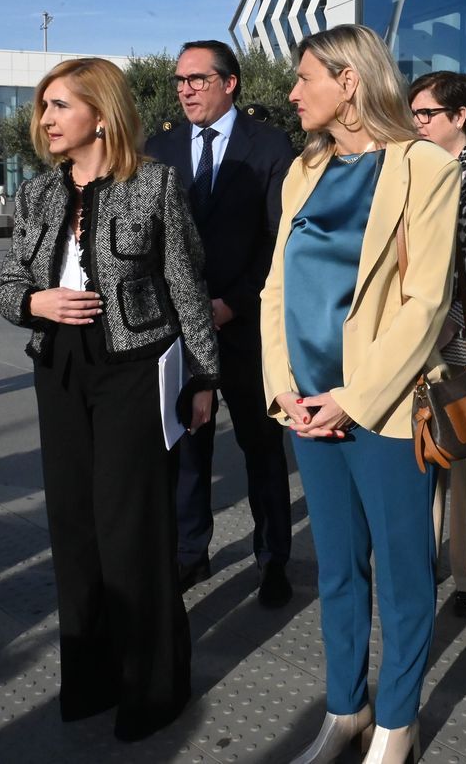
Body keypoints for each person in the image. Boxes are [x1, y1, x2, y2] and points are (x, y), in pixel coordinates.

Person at [0, 57, 220, 742]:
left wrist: (204, 378)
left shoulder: (153, 184)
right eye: (43, 108)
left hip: (133, 370)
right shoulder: (35, 195)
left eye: (60, 105)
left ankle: (155, 687)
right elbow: (7, 287)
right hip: (58, 369)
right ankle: (90, 678)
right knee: (73, 528)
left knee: (133, 533)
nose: (46, 120)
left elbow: (186, 286)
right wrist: (35, 302)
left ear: (101, 111)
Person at [261, 25, 459, 763]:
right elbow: (276, 288)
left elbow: (425, 300)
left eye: (304, 77)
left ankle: (396, 724)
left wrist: (354, 394)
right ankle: (346, 708)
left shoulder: (424, 169)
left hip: (385, 408)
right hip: (307, 407)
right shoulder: (302, 172)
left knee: (404, 573)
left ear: (349, 82)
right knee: (338, 570)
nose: (292, 92)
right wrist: (284, 390)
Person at [145, 39, 296, 607]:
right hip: (180, 329)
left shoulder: (270, 145)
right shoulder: (158, 149)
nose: (185, 89)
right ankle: (191, 553)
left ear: (229, 83)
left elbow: (277, 238)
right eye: (180, 80)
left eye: (197, 80)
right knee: (188, 445)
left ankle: (273, 558)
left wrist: (234, 303)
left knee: (262, 448)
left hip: (247, 324)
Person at [406, 71, 466, 617]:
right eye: (414, 114)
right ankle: (425, 557)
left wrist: (450, 317)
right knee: (428, 441)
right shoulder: (415, 169)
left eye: (427, 115)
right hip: (421, 333)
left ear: (461, 117)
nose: (417, 123)